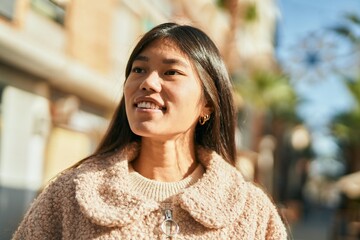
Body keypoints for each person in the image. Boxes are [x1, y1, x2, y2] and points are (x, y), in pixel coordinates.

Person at [13, 22, 288, 239]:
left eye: (170, 73)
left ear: (207, 104)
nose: (148, 82)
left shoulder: (251, 211)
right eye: (139, 69)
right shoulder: (70, 195)